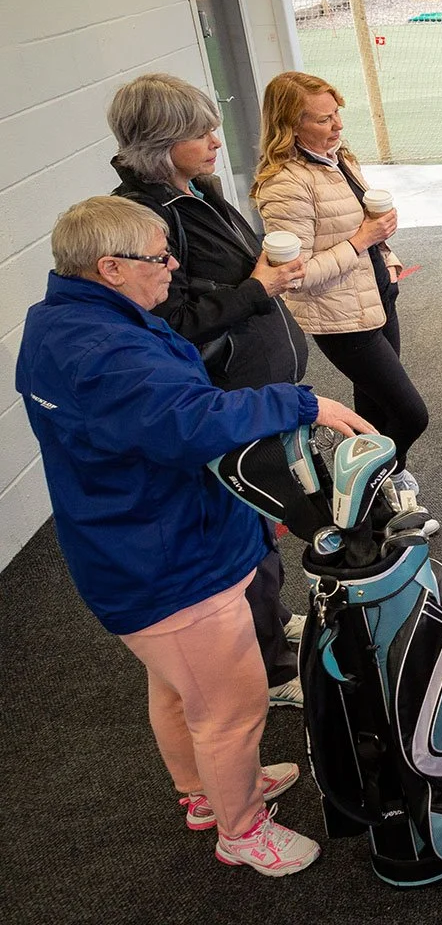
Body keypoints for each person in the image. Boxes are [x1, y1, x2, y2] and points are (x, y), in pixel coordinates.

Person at [16, 195, 374, 876]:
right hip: (168, 557)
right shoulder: (106, 353)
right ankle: (242, 831)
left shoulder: (59, 320)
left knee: (179, 688)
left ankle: (206, 793)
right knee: (232, 708)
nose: (174, 267)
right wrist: (302, 401)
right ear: (110, 267)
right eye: (160, 257)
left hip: (133, 541)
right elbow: (191, 420)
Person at [109, 73, 312, 709]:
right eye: (200, 133)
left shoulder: (196, 191)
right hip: (227, 397)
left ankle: (271, 623)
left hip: (257, 384)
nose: (216, 141)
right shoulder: (146, 220)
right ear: (159, 143)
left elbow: (227, 284)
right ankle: (269, 670)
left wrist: (262, 281)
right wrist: (258, 289)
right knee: (243, 522)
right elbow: (169, 319)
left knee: (264, 519)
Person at [252, 71, 430, 480]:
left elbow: (360, 226)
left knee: (374, 407)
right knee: (410, 414)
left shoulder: (338, 158)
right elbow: (295, 275)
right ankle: (377, 479)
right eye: (323, 119)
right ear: (291, 125)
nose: (338, 125)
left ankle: (375, 488)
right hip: (341, 318)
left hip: (377, 296)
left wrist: (386, 253)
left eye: (337, 113)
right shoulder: (284, 185)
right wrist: (363, 239)